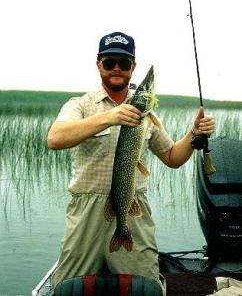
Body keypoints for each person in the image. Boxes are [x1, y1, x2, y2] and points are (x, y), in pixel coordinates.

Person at [47, 31, 215, 291]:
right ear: (98, 64)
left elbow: (172, 157)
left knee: (145, 286)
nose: (117, 68)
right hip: (86, 211)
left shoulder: (146, 114)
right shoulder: (79, 105)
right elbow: (55, 138)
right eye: (109, 62)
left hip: (132, 208)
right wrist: (111, 117)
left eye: (124, 63)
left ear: (132, 67)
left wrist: (194, 134)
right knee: (68, 287)